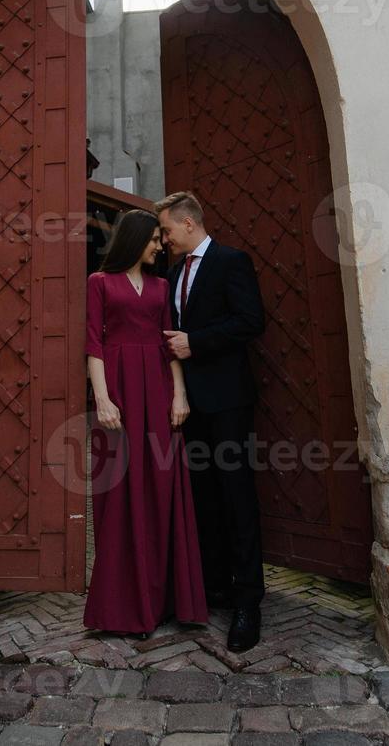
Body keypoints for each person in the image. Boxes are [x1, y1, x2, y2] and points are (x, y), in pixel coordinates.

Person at [83, 209, 208, 637]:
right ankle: (119, 607)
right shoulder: (99, 283)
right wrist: (102, 399)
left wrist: (180, 395)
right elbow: (93, 343)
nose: (160, 245)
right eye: (154, 238)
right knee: (119, 492)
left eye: (162, 237)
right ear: (135, 240)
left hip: (157, 391)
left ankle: (165, 601)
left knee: (161, 487)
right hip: (117, 391)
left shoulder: (161, 285)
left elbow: (169, 342)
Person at [155, 191, 267, 653]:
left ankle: (249, 603)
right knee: (202, 496)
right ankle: (216, 586)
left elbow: (250, 321)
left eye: (165, 230)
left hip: (227, 401)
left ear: (187, 223)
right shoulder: (172, 271)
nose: (162, 240)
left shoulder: (231, 261)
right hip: (189, 405)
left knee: (237, 497)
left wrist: (194, 343)